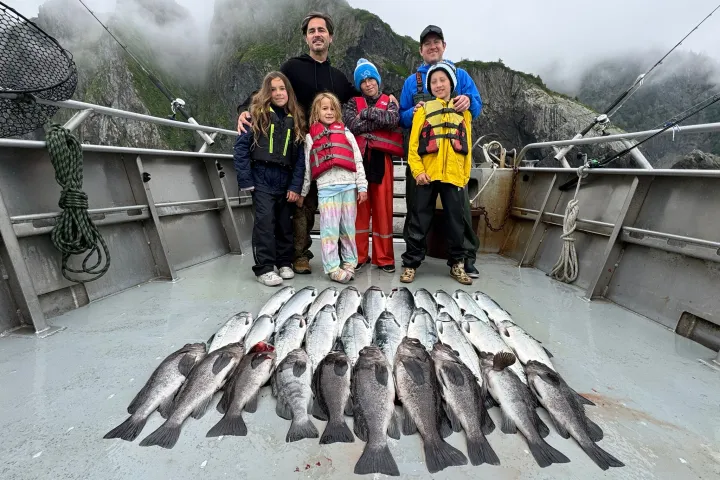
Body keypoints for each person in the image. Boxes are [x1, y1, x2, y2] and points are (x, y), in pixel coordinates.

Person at [237, 12, 395, 275]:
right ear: (306, 38)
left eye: (322, 30)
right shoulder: (292, 67)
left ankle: (344, 256)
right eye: (312, 31)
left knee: (339, 212)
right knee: (303, 204)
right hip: (303, 146)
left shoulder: (338, 77)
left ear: (330, 37)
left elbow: (365, 94)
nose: (317, 34)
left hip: (334, 153)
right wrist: (244, 109)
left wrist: (389, 98)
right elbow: (267, 89)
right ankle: (300, 254)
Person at [399, 25, 483, 278]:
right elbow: (401, 118)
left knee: (459, 214)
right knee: (417, 210)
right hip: (424, 162)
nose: (432, 46)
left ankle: (464, 258)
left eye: (437, 42)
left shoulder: (462, 76)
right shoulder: (410, 82)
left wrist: (469, 101)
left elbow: (475, 108)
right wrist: (413, 113)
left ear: (444, 46)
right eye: (427, 44)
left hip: (453, 163)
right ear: (421, 50)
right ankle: (413, 259)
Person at [233, 71, 306, 286]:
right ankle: (264, 267)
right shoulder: (255, 115)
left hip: (285, 179)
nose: (278, 93)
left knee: (285, 223)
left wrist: (295, 185)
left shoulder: (297, 120)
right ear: (267, 92)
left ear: (288, 92)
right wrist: (246, 181)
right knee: (264, 223)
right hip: (262, 177)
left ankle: (284, 262)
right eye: (273, 89)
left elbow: (300, 158)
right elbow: (241, 149)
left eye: (282, 88)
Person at [301, 93, 368, 284]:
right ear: (316, 111)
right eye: (324, 108)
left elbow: (357, 161)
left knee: (348, 229)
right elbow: (308, 167)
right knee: (329, 231)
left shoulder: (347, 134)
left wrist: (362, 186)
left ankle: (349, 263)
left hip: (349, 187)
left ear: (337, 111)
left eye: (332, 108)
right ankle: (332, 267)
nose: (329, 112)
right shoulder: (310, 137)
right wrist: (304, 192)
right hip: (326, 189)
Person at [342, 58, 401, 273]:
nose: (368, 84)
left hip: (382, 160)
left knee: (383, 210)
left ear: (377, 80)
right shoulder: (350, 103)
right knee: (359, 210)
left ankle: (384, 258)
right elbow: (352, 125)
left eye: (371, 79)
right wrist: (378, 120)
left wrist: (366, 114)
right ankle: (359, 256)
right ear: (359, 85)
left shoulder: (391, 101)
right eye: (363, 81)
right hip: (358, 162)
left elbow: (394, 119)